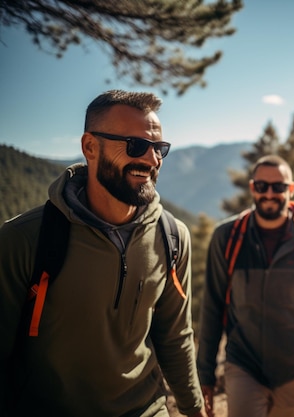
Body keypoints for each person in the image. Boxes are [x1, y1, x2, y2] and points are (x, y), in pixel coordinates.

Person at [0, 90, 207, 417]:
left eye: (159, 149)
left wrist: (194, 410)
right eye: (136, 146)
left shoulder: (172, 238)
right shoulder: (24, 239)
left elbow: (175, 335)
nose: (152, 160)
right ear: (89, 147)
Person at [197, 155, 294, 417]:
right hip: (243, 365)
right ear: (252, 188)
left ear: (291, 189)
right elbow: (212, 308)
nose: (269, 194)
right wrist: (204, 374)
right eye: (262, 187)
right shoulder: (227, 238)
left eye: (278, 187)